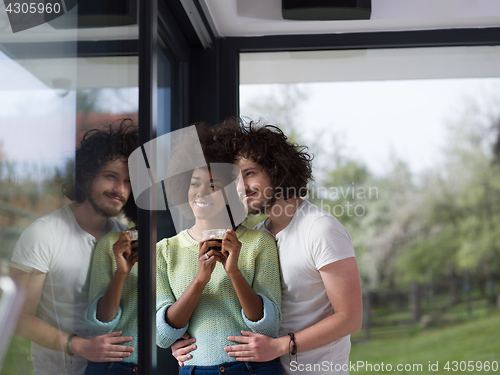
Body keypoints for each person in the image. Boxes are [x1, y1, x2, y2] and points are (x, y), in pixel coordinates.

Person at [173, 119, 363, 375]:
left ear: (277, 170)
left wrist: (279, 346)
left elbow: (350, 319)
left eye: (249, 173)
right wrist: (184, 343)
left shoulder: (320, 229)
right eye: (235, 179)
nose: (242, 187)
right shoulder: (260, 236)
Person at [10, 121, 138, 375]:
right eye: (111, 176)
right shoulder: (43, 234)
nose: (120, 190)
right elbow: (18, 318)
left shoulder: (123, 237)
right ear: (86, 175)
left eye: (128, 181)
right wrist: (80, 346)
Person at [156, 124, 283, 374]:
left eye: (213, 185)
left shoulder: (259, 243)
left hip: (252, 369)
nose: (201, 192)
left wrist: (233, 271)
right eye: (194, 183)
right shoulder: (165, 250)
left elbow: (268, 327)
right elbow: (162, 336)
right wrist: (201, 279)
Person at [84, 194, 139, 374]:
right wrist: (122, 273)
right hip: (116, 365)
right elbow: (98, 325)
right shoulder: (111, 244)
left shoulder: (181, 245)